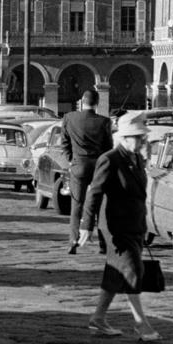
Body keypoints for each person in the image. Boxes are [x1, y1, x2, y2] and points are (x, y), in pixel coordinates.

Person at [78, 112, 162, 341]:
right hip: (116, 228)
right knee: (132, 271)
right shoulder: (111, 159)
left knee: (116, 274)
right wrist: (86, 225)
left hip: (134, 224)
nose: (143, 141)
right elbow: (94, 192)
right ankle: (141, 324)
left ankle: (98, 318)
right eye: (138, 137)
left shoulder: (136, 159)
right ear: (124, 138)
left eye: (143, 137)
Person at [60, 89, 113, 255]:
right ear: (97, 103)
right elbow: (108, 147)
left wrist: (71, 160)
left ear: (81, 101)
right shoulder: (104, 122)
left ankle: (73, 241)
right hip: (98, 166)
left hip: (78, 165)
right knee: (99, 205)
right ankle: (103, 244)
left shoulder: (69, 118)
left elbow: (64, 142)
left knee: (77, 205)